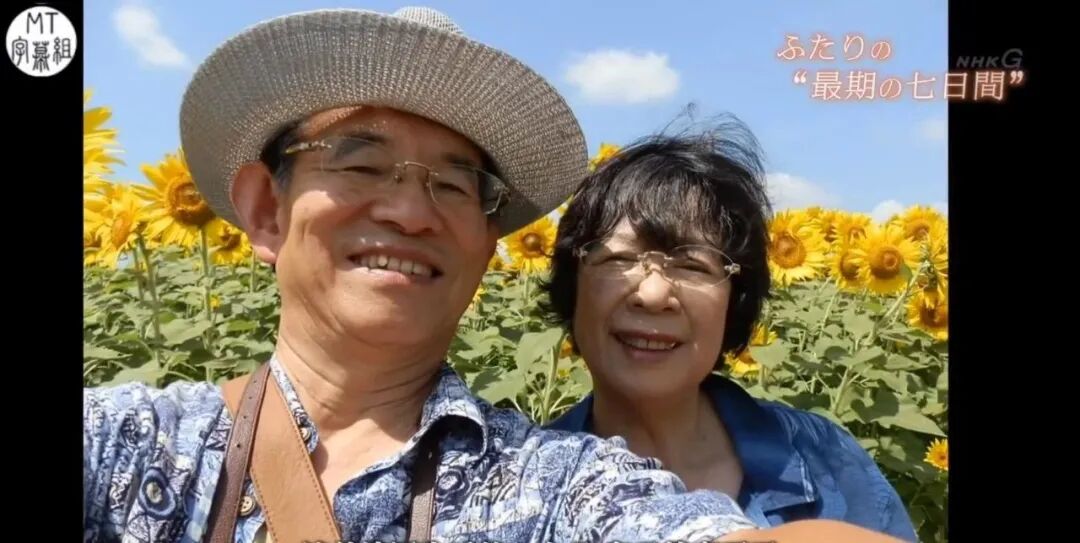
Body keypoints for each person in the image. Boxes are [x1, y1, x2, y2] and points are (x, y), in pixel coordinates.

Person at [83, 6, 905, 543]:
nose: (410, 211)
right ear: (266, 210)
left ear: (485, 243)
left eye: (453, 183)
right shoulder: (130, 444)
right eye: (360, 164)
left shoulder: (554, 486)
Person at [543, 118, 919, 542]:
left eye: (692, 265)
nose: (652, 293)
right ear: (573, 284)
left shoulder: (825, 460)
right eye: (619, 259)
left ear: (735, 300)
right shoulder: (525, 492)